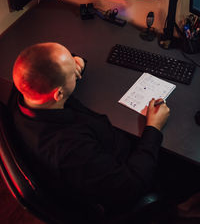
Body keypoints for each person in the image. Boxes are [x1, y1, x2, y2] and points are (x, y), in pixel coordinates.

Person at [9, 42, 171, 214]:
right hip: (124, 172)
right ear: (58, 94)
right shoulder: (71, 149)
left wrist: (77, 61)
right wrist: (154, 127)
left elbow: (46, 63)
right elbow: (130, 188)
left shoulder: (25, 88)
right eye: (73, 73)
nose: (76, 69)